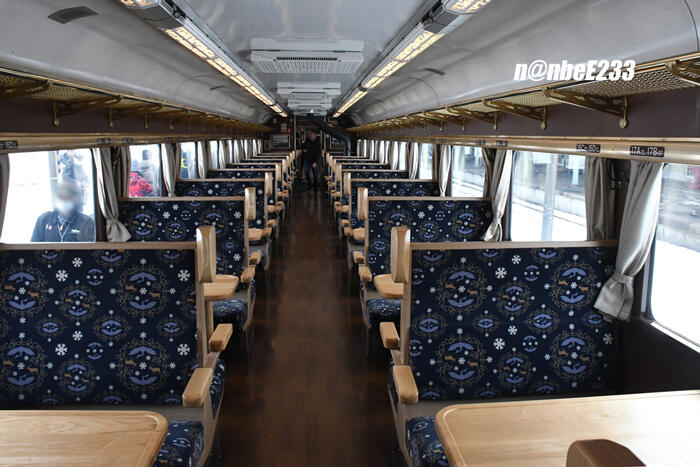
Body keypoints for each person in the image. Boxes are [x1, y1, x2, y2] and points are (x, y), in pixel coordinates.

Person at [31, 182, 95, 242]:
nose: (63, 200)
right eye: (60, 197)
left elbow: (91, 247)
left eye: (66, 197)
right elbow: (33, 246)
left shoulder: (86, 222)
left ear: (75, 199)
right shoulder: (44, 219)